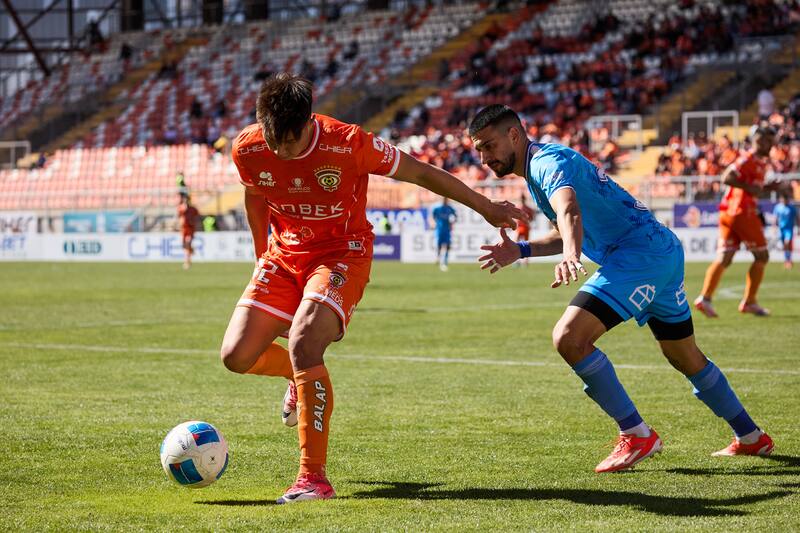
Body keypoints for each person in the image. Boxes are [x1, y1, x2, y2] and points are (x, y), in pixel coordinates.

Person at [221, 74, 524, 504]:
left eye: (288, 141)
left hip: (341, 254)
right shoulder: (248, 147)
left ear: (308, 122)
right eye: (273, 141)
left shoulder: (348, 143)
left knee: (305, 342)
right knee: (236, 356)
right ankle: (296, 377)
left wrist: (486, 206)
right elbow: (255, 196)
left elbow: (420, 172)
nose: (280, 151)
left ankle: (313, 478)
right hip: (282, 256)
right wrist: (260, 256)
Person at [471, 105, 774, 474]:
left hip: (639, 256)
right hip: (659, 250)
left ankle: (636, 434)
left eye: (489, 146)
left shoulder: (545, 163)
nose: (484, 158)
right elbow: (567, 225)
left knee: (570, 338)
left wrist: (571, 254)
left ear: (514, 135)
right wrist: (521, 250)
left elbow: (569, 211)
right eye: (479, 150)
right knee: (685, 356)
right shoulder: (541, 165)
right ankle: (751, 436)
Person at [694, 125, 781, 318]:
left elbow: (752, 186)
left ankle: (704, 298)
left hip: (729, 212)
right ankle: (749, 302)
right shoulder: (748, 159)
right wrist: (750, 189)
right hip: (742, 212)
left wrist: (767, 188)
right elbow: (727, 177)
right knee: (762, 256)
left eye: (771, 141)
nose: (769, 145)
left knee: (725, 257)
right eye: (766, 141)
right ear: (757, 141)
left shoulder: (759, 162)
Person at [773, 192, 799, 269]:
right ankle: (787, 260)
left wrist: (798, 228)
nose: (783, 201)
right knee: (785, 245)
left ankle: (788, 260)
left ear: (787, 199)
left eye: (785, 199)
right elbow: (775, 218)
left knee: (787, 243)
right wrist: (774, 227)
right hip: (781, 229)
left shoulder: (791, 208)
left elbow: (797, 218)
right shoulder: (778, 207)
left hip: (789, 229)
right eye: (782, 199)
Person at [431, 197, 457, 271]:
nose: (445, 200)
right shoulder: (437, 208)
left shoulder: (450, 208)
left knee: (447, 245)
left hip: (447, 230)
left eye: (446, 199)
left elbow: (455, 216)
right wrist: (433, 222)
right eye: (443, 199)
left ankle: (445, 261)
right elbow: (432, 216)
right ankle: (438, 257)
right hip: (439, 229)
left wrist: (452, 223)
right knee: (439, 245)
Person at [513, 193, 536, 267]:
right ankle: (517, 260)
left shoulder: (527, 208)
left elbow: (532, 218)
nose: (521, 200)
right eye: (521, 198)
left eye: (522, 198)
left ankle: (525, 262)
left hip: (525, 227)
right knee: (516, 244)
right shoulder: (517, 208)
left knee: (527, 244)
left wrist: (527, 219)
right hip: (519, 227)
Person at [177, 195, 199, 270]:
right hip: (183, 229)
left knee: (187, 243)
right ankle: (192, 250)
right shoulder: (181, 208)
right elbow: (180, 216)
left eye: (187, 200)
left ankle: (187, 262)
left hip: (190, 229)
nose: (186, 201)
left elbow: (197, 217)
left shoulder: (193, 209)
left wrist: (195, 224)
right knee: (185, 246)